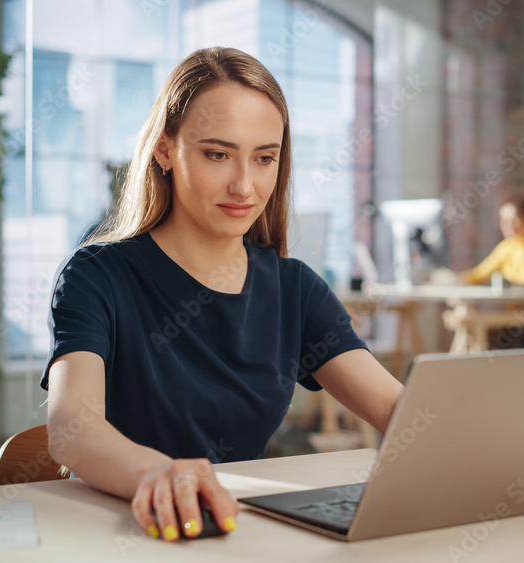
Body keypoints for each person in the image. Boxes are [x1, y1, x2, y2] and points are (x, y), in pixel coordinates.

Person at [41, 47, 404, 543]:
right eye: (217, 154)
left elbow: (400, 411)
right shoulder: (97, 276)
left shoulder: (294, 289)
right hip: (120, 532)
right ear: (165, 150)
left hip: (230, 532)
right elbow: (71, 428)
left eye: (264, 159)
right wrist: (156, 473)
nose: (244, 185)